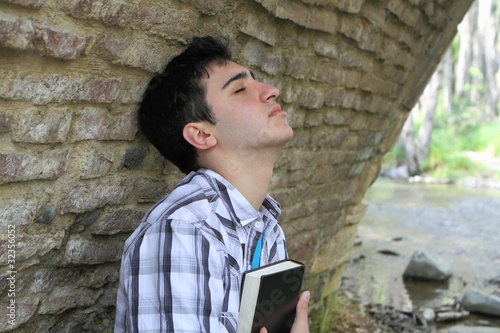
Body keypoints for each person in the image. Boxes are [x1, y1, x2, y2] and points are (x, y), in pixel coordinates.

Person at [114, 36, 309, 333]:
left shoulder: (268, 229)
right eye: (240, 88)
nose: (271, 91)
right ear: (202, 135)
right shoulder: (182, 231)